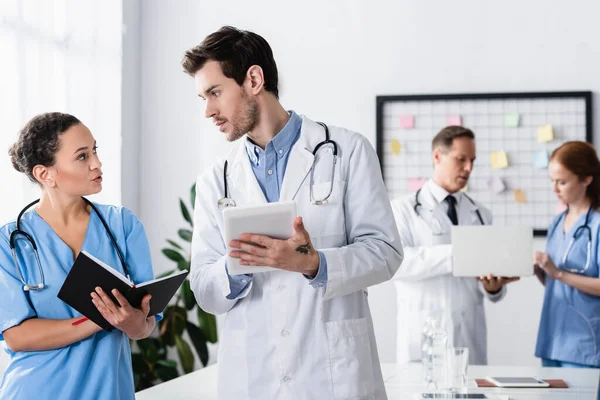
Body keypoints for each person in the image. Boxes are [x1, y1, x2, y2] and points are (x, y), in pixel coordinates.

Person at [183, 26, 403, 399]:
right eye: (203, 97)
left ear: (253, 79)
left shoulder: (347, 152)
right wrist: (236, 267)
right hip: (255, 375)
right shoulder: (215, 181)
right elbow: (204, 288)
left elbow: (385, 252)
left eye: (215, 93)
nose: (208, 111)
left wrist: (313, 263)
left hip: (333, 372)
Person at [0, 113, 159, 399]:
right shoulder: (8, 242)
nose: (97, 163)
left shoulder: (122, 225)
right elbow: (17, 335)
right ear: (44, 174)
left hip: (109, 390)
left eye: (94, 150)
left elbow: (145, 324)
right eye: (82, 156)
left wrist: (132, 322)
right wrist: (101, 319)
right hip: (34, 390)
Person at [390, 125, 518, 365]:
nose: (468, 168)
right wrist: (459, 253)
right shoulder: (401, 210)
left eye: (472, 160)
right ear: (437, 157)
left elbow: (487, 285)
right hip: (422, 336)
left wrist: (493, 288)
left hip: (468, 339)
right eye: (461, 159)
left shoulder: (481, 214)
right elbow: (397, 264)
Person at [533, 141, 600, 398]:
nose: (555, 189)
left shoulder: (597, 225)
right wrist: (542, 271)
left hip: (584, 343)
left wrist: (559, 273)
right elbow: (557, 284)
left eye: (562, 182)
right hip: (552, 338)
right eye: (552, 181)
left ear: (586, 179)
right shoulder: (558, 222)